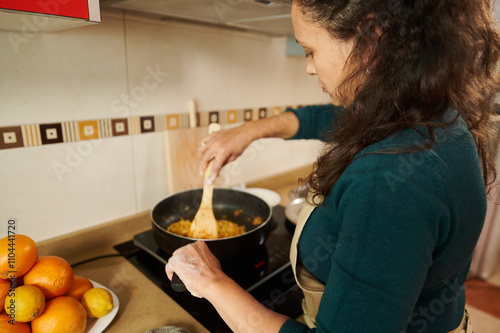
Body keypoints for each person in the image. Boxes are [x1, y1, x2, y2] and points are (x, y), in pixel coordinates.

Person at [165, 0, 500, 332]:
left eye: (309, 50)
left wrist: (211, 282)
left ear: (370, 38)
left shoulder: (387, 182)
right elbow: (342, 120)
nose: (309, 67)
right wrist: (251, 131)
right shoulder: (435, 118)